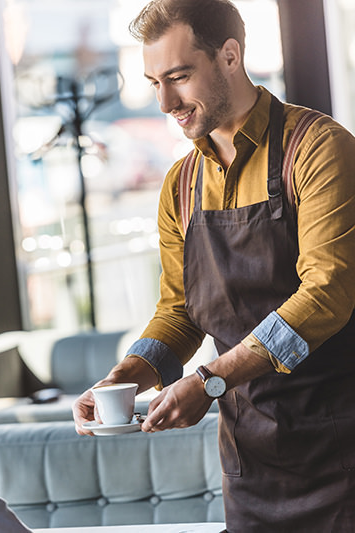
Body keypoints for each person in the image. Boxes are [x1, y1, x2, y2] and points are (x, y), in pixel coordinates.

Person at [73, 0, 355, 530]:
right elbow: (180, 313)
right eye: (153, 81)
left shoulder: (318, 149)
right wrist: (123, 378)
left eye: (178, 76)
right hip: (250, 467)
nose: (164, 102)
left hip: (342, 451)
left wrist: (210, 380)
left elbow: (328, 293)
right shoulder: (179, 188)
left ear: (230, 55)